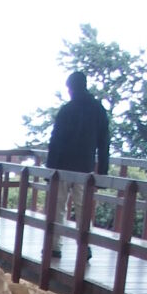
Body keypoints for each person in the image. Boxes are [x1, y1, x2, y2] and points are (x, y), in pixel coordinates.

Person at [45, 71, 110, 256]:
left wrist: (50, 171)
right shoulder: (98, 109)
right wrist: (102, 172)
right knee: (84, 209)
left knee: (58, 207)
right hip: (85, 168)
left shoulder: (67, 110)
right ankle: (84, 247)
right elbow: (104, 142)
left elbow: (55, 141)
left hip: (63, 167)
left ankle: (55, 247)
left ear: (72, 88)